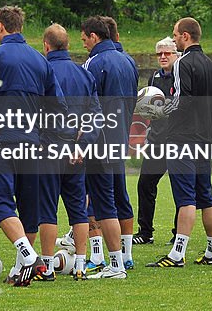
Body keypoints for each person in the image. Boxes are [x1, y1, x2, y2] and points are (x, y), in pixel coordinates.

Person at [0, 6, 65, 286]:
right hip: (31, 143)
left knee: (1, 205)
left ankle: (27, 256)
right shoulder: (40, 61)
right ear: (21, 26)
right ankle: (21, 271)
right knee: (29, 209)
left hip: (1, 140)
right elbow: (58, 106)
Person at [142, 17, 212, 268]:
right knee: (206, 196)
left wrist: (160, 111)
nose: (174, 38)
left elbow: (181, 100)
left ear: (186, 36)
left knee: (186, 198)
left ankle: (177, 254)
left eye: (176, 35)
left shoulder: (182, 64)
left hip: (182, 139)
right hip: (204, 138)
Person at [80, 15, 138, 279]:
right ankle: (126, 256)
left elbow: (88, 105)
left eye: (84, 39)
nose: (83, 45)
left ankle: (99, 257)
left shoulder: (94, 62)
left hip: (99, 142)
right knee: (121, 197)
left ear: (94, 37)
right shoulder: (129, 61)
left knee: (97, 202)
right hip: (120, 138)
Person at [41, 23, 100, 281]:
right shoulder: (84, 74)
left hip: (49, 150)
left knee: (47, 208)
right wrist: (82, 144)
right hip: (77, 154)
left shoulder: (41, 72)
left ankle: (47, 265)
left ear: (46, 46)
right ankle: (79, 263)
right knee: (78, 208)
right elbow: (95, 116)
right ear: (68, 45)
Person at [132, 37, 180, 246]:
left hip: (177, 141)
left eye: (167, 53)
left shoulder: (182, 76)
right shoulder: (154, 78)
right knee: (145, 184)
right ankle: (145, 232)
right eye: (159, 53)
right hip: (156, 142)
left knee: (180, 187)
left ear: (176, 55)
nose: (162, 57)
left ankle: (179, 232)